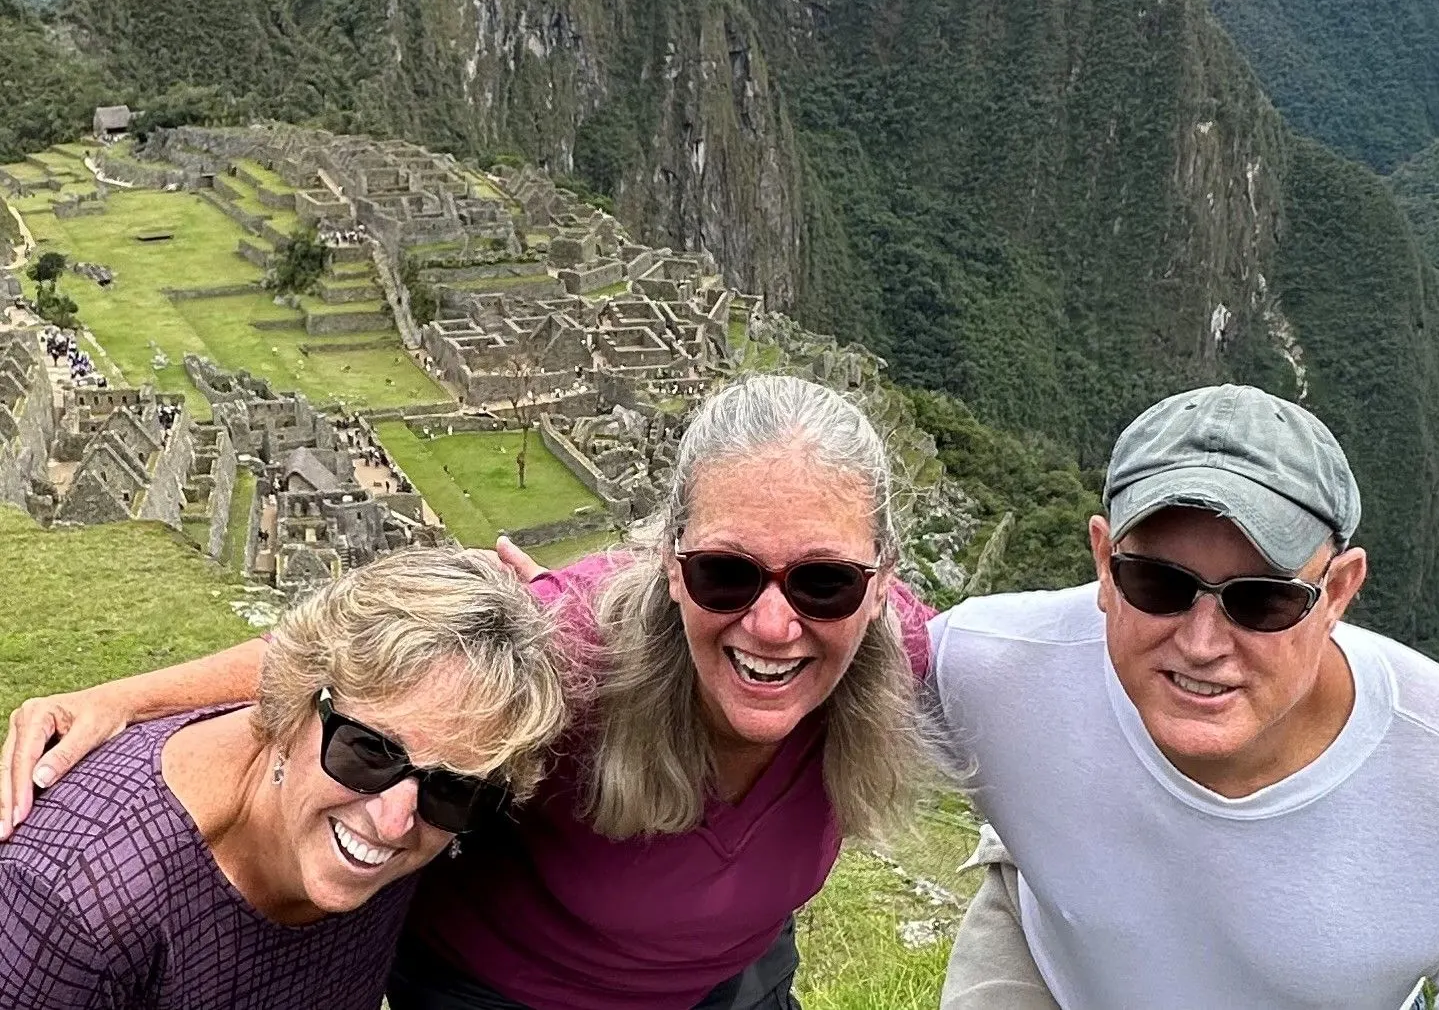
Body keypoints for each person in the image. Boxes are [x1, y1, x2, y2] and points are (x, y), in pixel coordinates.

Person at [2, 375, 934, 1010]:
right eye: (726, 573)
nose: (773, 623)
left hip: (732, 979)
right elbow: (365, 660)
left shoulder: (903, 648)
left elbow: (1021, 654)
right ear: (669, 561)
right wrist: (124, 700)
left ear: (881, 580)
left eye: (824, 583)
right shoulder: (579, 646)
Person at [932, 382, 1439, 1010]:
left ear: (1338, 593)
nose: (1202, 643)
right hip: (1054, 971)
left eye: (1263, 600)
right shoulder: (988, 665)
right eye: (1158, 583)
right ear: (1104, 563)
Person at [0, 545, 565, 1010]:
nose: (395, 823)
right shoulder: (75, 902)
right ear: (292, 710)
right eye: (368, 752)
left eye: (453, 788)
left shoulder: (420, 788)